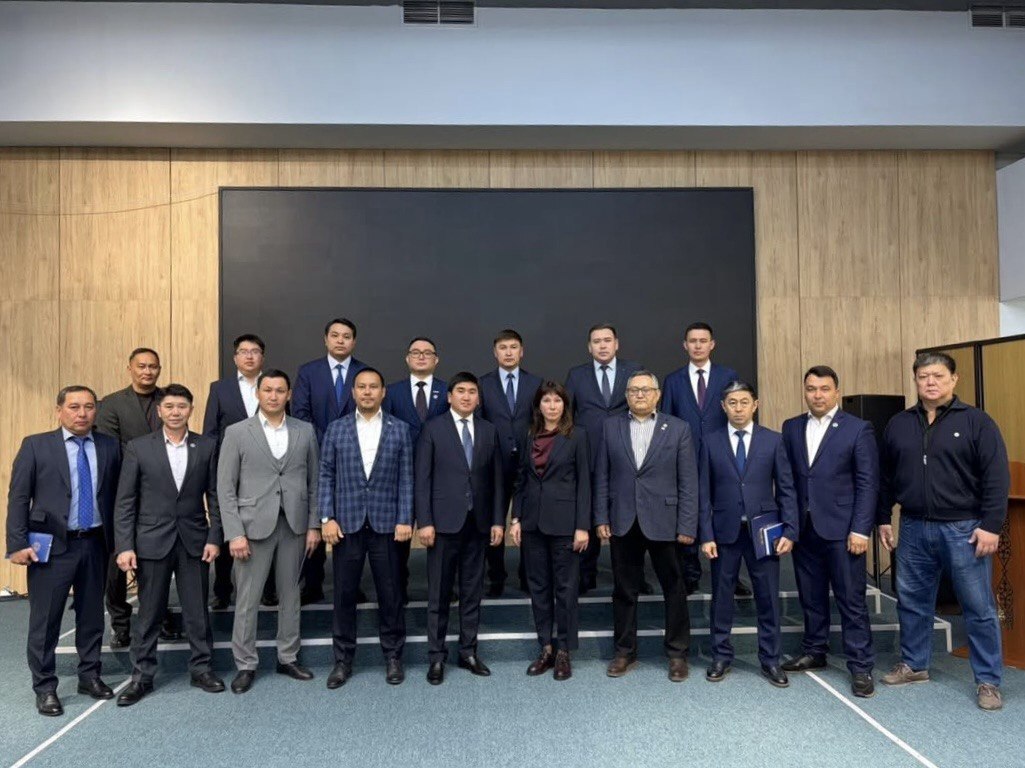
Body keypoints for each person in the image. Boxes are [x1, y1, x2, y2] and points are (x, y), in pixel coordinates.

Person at [877, 352, 1009, 711]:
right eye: (923, 376)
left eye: (937, 375)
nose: (930, 382)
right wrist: (883, 517)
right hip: (913, 526)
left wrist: (991, 526)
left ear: (954, 379)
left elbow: (996, 478)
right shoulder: (899, 424)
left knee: (978, 606)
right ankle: (914, 665)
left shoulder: (977, 422)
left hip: (964, 529)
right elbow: (885, 477)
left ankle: (988, 680)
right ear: (915, 381)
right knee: (912, 601)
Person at [6, 386, 121, 717]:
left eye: (88, 407)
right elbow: (19, 497)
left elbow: (118, 496)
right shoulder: (36, 445)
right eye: (74, 407)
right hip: (51, 545)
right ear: (59, 410)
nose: (82, 413)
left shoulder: (110, 446)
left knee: (91, 615)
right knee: (46, 619)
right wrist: (17, 544)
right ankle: (45, 687)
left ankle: (90, 676)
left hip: (96, 543)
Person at [114, 384, 224, 706]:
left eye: (182, 406)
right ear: (160, 411)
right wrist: (125, 545)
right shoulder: (138, 447)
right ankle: (141, 677)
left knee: (197, 612)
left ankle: (201, 669)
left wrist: (215, 537)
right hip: (151, 541)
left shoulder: (207, 446)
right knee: (149, 613)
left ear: (191, 410)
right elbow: (125, 501)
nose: (176, 412)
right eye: (170, 407)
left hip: (194, 540)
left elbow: (215, 496)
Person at [217, 370, 322, 694]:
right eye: (268, 390)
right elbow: (225, 488)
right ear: (258, 394)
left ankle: (287, 657)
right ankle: (245, 663)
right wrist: (234, 532)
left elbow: (314, 482)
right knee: (247, 598)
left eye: (279, 390)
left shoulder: (305, 430)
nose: (273, 396)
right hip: (251, 528)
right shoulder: (237, 432)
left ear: (289, 395)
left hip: (294, 524)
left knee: (291, 594)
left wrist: (314, 524)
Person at [781, 366, 879, 698]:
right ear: (804, 392)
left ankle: (861, 665)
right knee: (811, 596)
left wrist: (861, 529)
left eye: (824, 389)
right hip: (804, 529)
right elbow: (789, 480)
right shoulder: (792, 427)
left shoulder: (858, 429)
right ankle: (815, 651)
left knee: (851, 601)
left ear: (837, 392)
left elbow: (867, 483)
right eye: (811, 389)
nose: (817, 395)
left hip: (843, 530)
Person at [594, 370, 697, 683]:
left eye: (646, 389)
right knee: (624, 590)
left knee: (674, 589)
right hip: (623, 519)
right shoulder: (610, 427)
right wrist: (601, 517)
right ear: (626, 396)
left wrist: (687, 524)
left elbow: (688, 481)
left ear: (657, 395)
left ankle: (677, 654)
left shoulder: (678, 428)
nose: (639, 395)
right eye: (634, 390)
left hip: (666, 521)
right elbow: (602, 475)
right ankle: (624, 651)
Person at [699, 381, 798, 688]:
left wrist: (790, 529)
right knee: (722, 597)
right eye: (732, 403)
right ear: (723, 407)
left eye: (744, 402)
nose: (738, 408)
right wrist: (705, 534)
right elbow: (703, 493)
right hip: (724, 531)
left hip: (764, 532)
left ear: (755, 404)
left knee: (767, 597)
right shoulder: (710, 441)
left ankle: (771, 659)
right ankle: (721, 655)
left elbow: (786, 489)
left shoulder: (773, 440)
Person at [319, 368, 413, 688]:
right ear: (353, 392)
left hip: (388, 524)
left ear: (383, 392)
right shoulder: (336, 429)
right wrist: (326, 517)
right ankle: (342, 661)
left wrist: (405, 518)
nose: (368, 392)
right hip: (346, 524)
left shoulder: (400, 429)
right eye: (362, 387)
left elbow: (406, 478)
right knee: (344, 594)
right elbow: (326, 475)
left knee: (391, 594)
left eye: (374, 387)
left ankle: (393, 656)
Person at [415, 372, 505, 685]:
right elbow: (422, 479)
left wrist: (497, 520)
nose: (467, 397)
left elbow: (497, 480)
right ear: (449, 396)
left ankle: (468, 652)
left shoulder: (489, 430)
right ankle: (436, 657)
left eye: (472, 392)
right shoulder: (433, 428)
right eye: (461, 391)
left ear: (478, 398)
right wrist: (425, 521)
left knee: (471, 592)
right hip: (442, 525)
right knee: (439, 595)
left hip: (478, 524)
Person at [509, 381, 590, 680]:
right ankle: (545, 647)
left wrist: (582, 526)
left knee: (565, 589)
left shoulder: (577, 436)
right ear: (538, 405)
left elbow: (585, 483)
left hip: (566, 524)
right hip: (532, 523)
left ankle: (564, 650)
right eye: (547, 401)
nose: (552, 406)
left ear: (565, 405)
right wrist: (516, 518)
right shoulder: (528, 434)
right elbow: (521, 479)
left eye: (557, 401)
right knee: (538, 587)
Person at [661, 321, 743, 596]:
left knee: (724, 513)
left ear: (712, 344)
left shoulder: (728, 376)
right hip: (684, 458)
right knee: (688, 514)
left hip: (722, 456)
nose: (698, 345)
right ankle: (690, 574)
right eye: (693, 341)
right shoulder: (673, 380)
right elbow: (667, 421)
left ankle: (730, 575)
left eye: (703, 340)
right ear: (685, 345)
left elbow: (736, 414)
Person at [293, 317, 369, 604]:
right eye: (335, 335)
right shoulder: (308, 372)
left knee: (352, 521)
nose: (340, 340)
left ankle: (351, 585)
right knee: (315, 516)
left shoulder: (364, 372)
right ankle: (312, 583)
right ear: (325, 339)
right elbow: (300, 412)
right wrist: (327, 441)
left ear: (354, 342)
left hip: (354, 457)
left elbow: (369, 412)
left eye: (346, 336)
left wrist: (343, 442)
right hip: (314, 453)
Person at [95, 347, 165, 648]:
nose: (147, 371)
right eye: (142, 366)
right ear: (130, 369)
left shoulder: (169, 399)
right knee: (116, 564)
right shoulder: (112, 403)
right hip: (120, 492)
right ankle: (120, 623)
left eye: (153, 366)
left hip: (160, 493)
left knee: (156, 561)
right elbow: (111, 449)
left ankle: (157, 617)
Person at [564, 323, 642, 594]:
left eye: (607, 340)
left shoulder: (634, 371)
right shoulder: (577, 375)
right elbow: (568, 415)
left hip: (626, 456)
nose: (602, 345)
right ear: (589, 347)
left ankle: (634, 577)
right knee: (588, 512)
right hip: (589, 454)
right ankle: (587, 575)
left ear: (616, 344)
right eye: (596, 341)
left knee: (628, 516)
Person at [203, 333, 276, 611]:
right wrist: (213, 467)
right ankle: (222, 590)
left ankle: (268, 589)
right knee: (228, 527)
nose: (249, 356)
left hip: (266, 471)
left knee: (268, 527)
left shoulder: (272, 386)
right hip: (230, 469)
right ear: (235, 358)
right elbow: (211, 431)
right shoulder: (219, 389)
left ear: (262, 357)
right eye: (243, 351)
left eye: (255, 351)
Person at [383, 336, 449, 604]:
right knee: (398, 537)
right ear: (407, 358)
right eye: (416, 352)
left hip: (440, 474)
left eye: (427, 353)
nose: (421, 356)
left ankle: (443, 590)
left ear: (436, 359)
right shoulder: (392, 392)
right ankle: (398, 589)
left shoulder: (448, 391)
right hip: (401, 475)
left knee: (442, 536)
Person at [478, 329, 542, 597]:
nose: (508, 352)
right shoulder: (483, 384)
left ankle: (528, 575)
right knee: (494, 520)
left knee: (528, 520)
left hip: (529, 462)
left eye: (513, 347)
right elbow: (479, 424)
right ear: (495, 352)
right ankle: (496, 576)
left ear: (521, 351)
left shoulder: (535, 383)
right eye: (502, 348)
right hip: (494, 463)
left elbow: (541, 422)